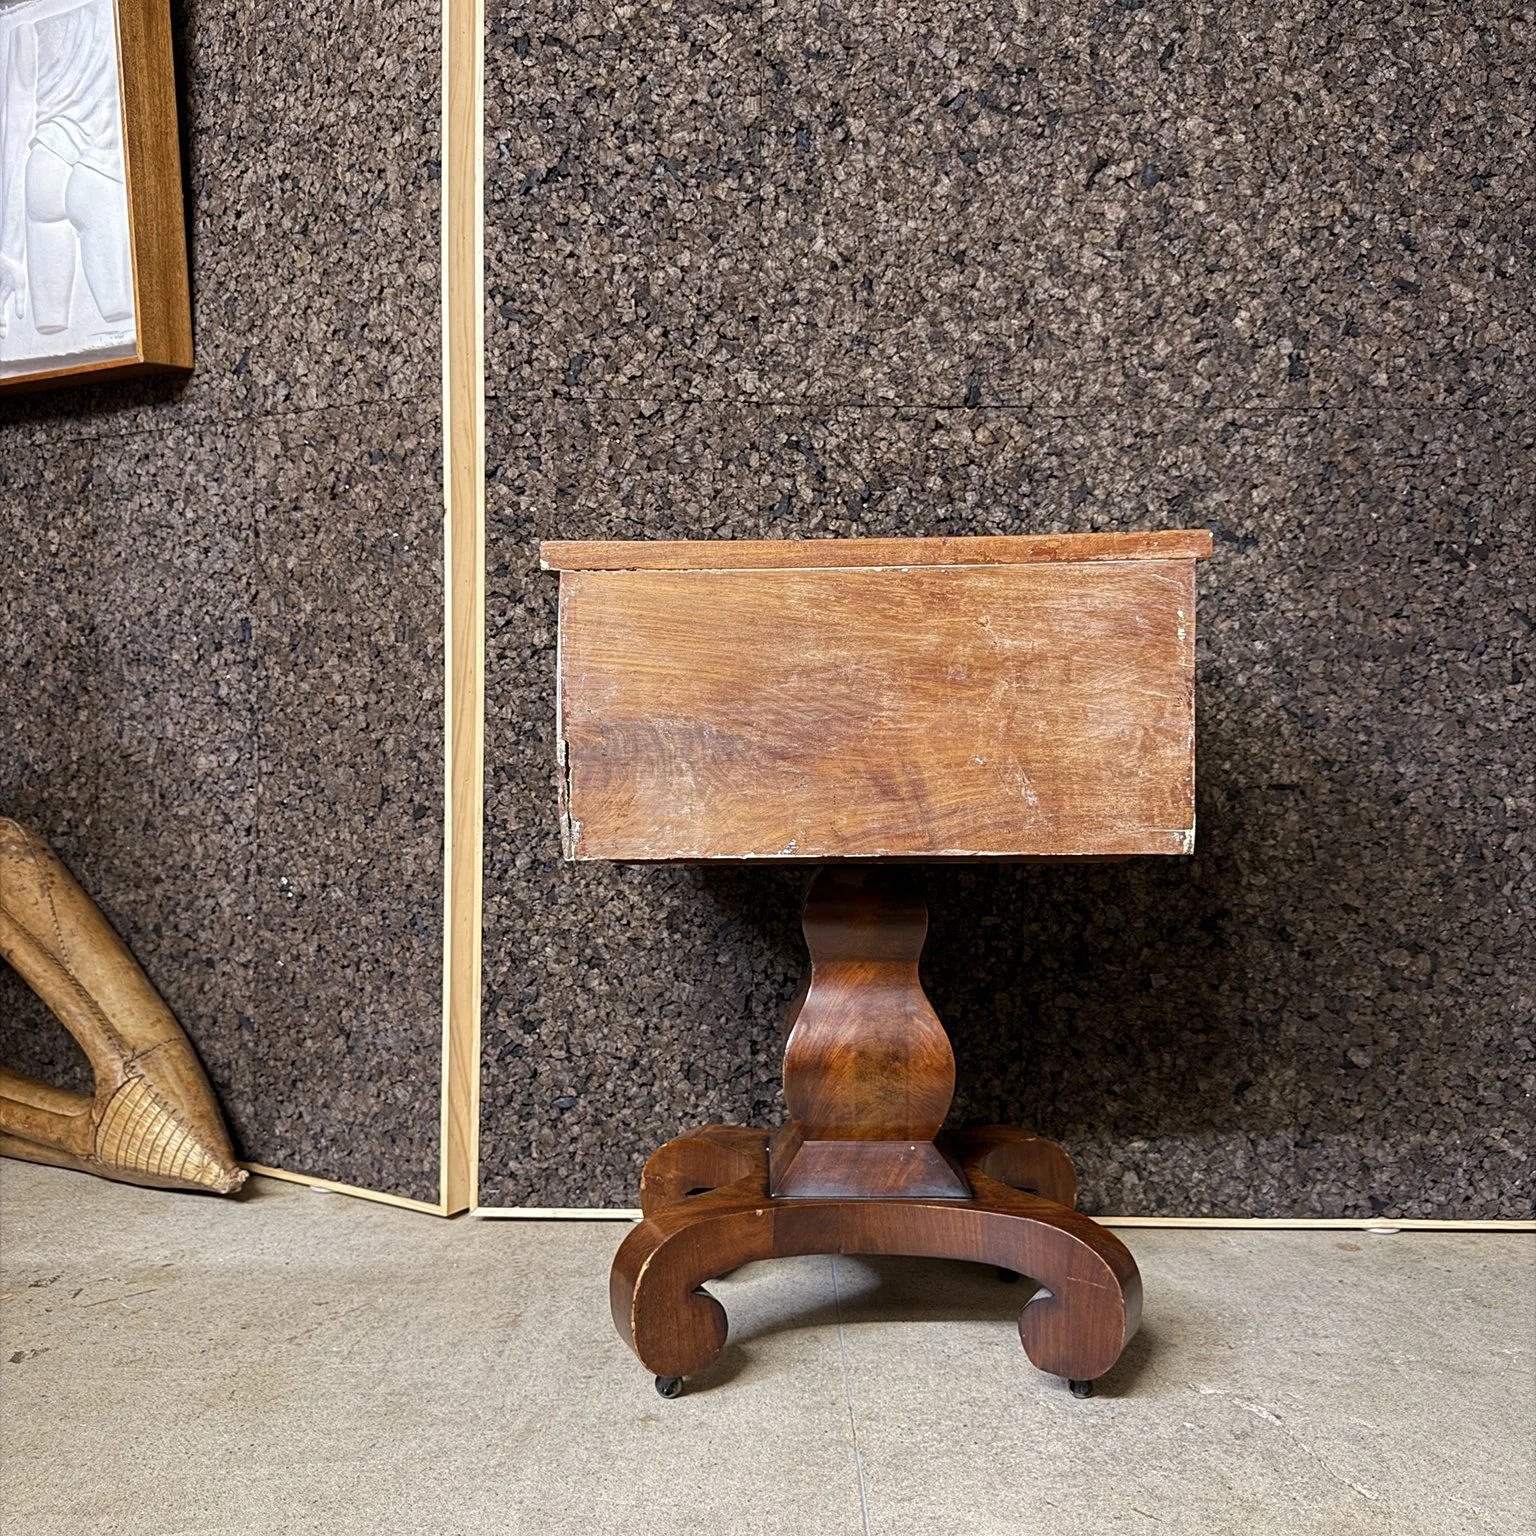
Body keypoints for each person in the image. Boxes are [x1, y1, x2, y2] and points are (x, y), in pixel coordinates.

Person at [0, 0, 133, 347]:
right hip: (101, 169)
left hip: (44, 163)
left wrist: (8, 251)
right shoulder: (113, 11)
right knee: (117, 335)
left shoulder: (20, 19)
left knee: (51, 339)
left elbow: (15, 128)